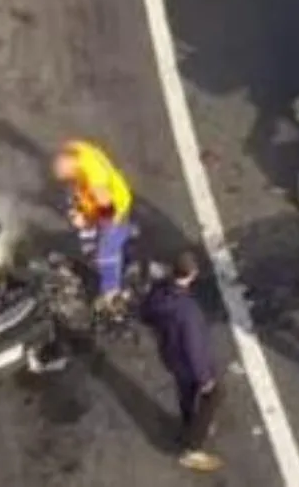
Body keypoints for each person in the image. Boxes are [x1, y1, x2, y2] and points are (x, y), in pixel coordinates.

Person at [140, 253, 223, 472]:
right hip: (188, 362)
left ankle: (189, 423)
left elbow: (145, 313)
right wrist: (205, 377)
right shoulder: (188, 311)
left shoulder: (159, 292)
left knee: (185, 392)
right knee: (213, 394)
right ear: (191, 275)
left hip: (171, 355)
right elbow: (194, 348)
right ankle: (193, 447)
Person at [52, 140, 134, 309]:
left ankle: (111, 294)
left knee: (106, 255)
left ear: (70, 165)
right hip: (92, 201)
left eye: (63, 172)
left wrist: (86, 220)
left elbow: (108, 212)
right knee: (88, 238)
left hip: (114, 211)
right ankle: (121, 237)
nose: (60, 175)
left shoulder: (95, 178)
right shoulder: (75, 149)